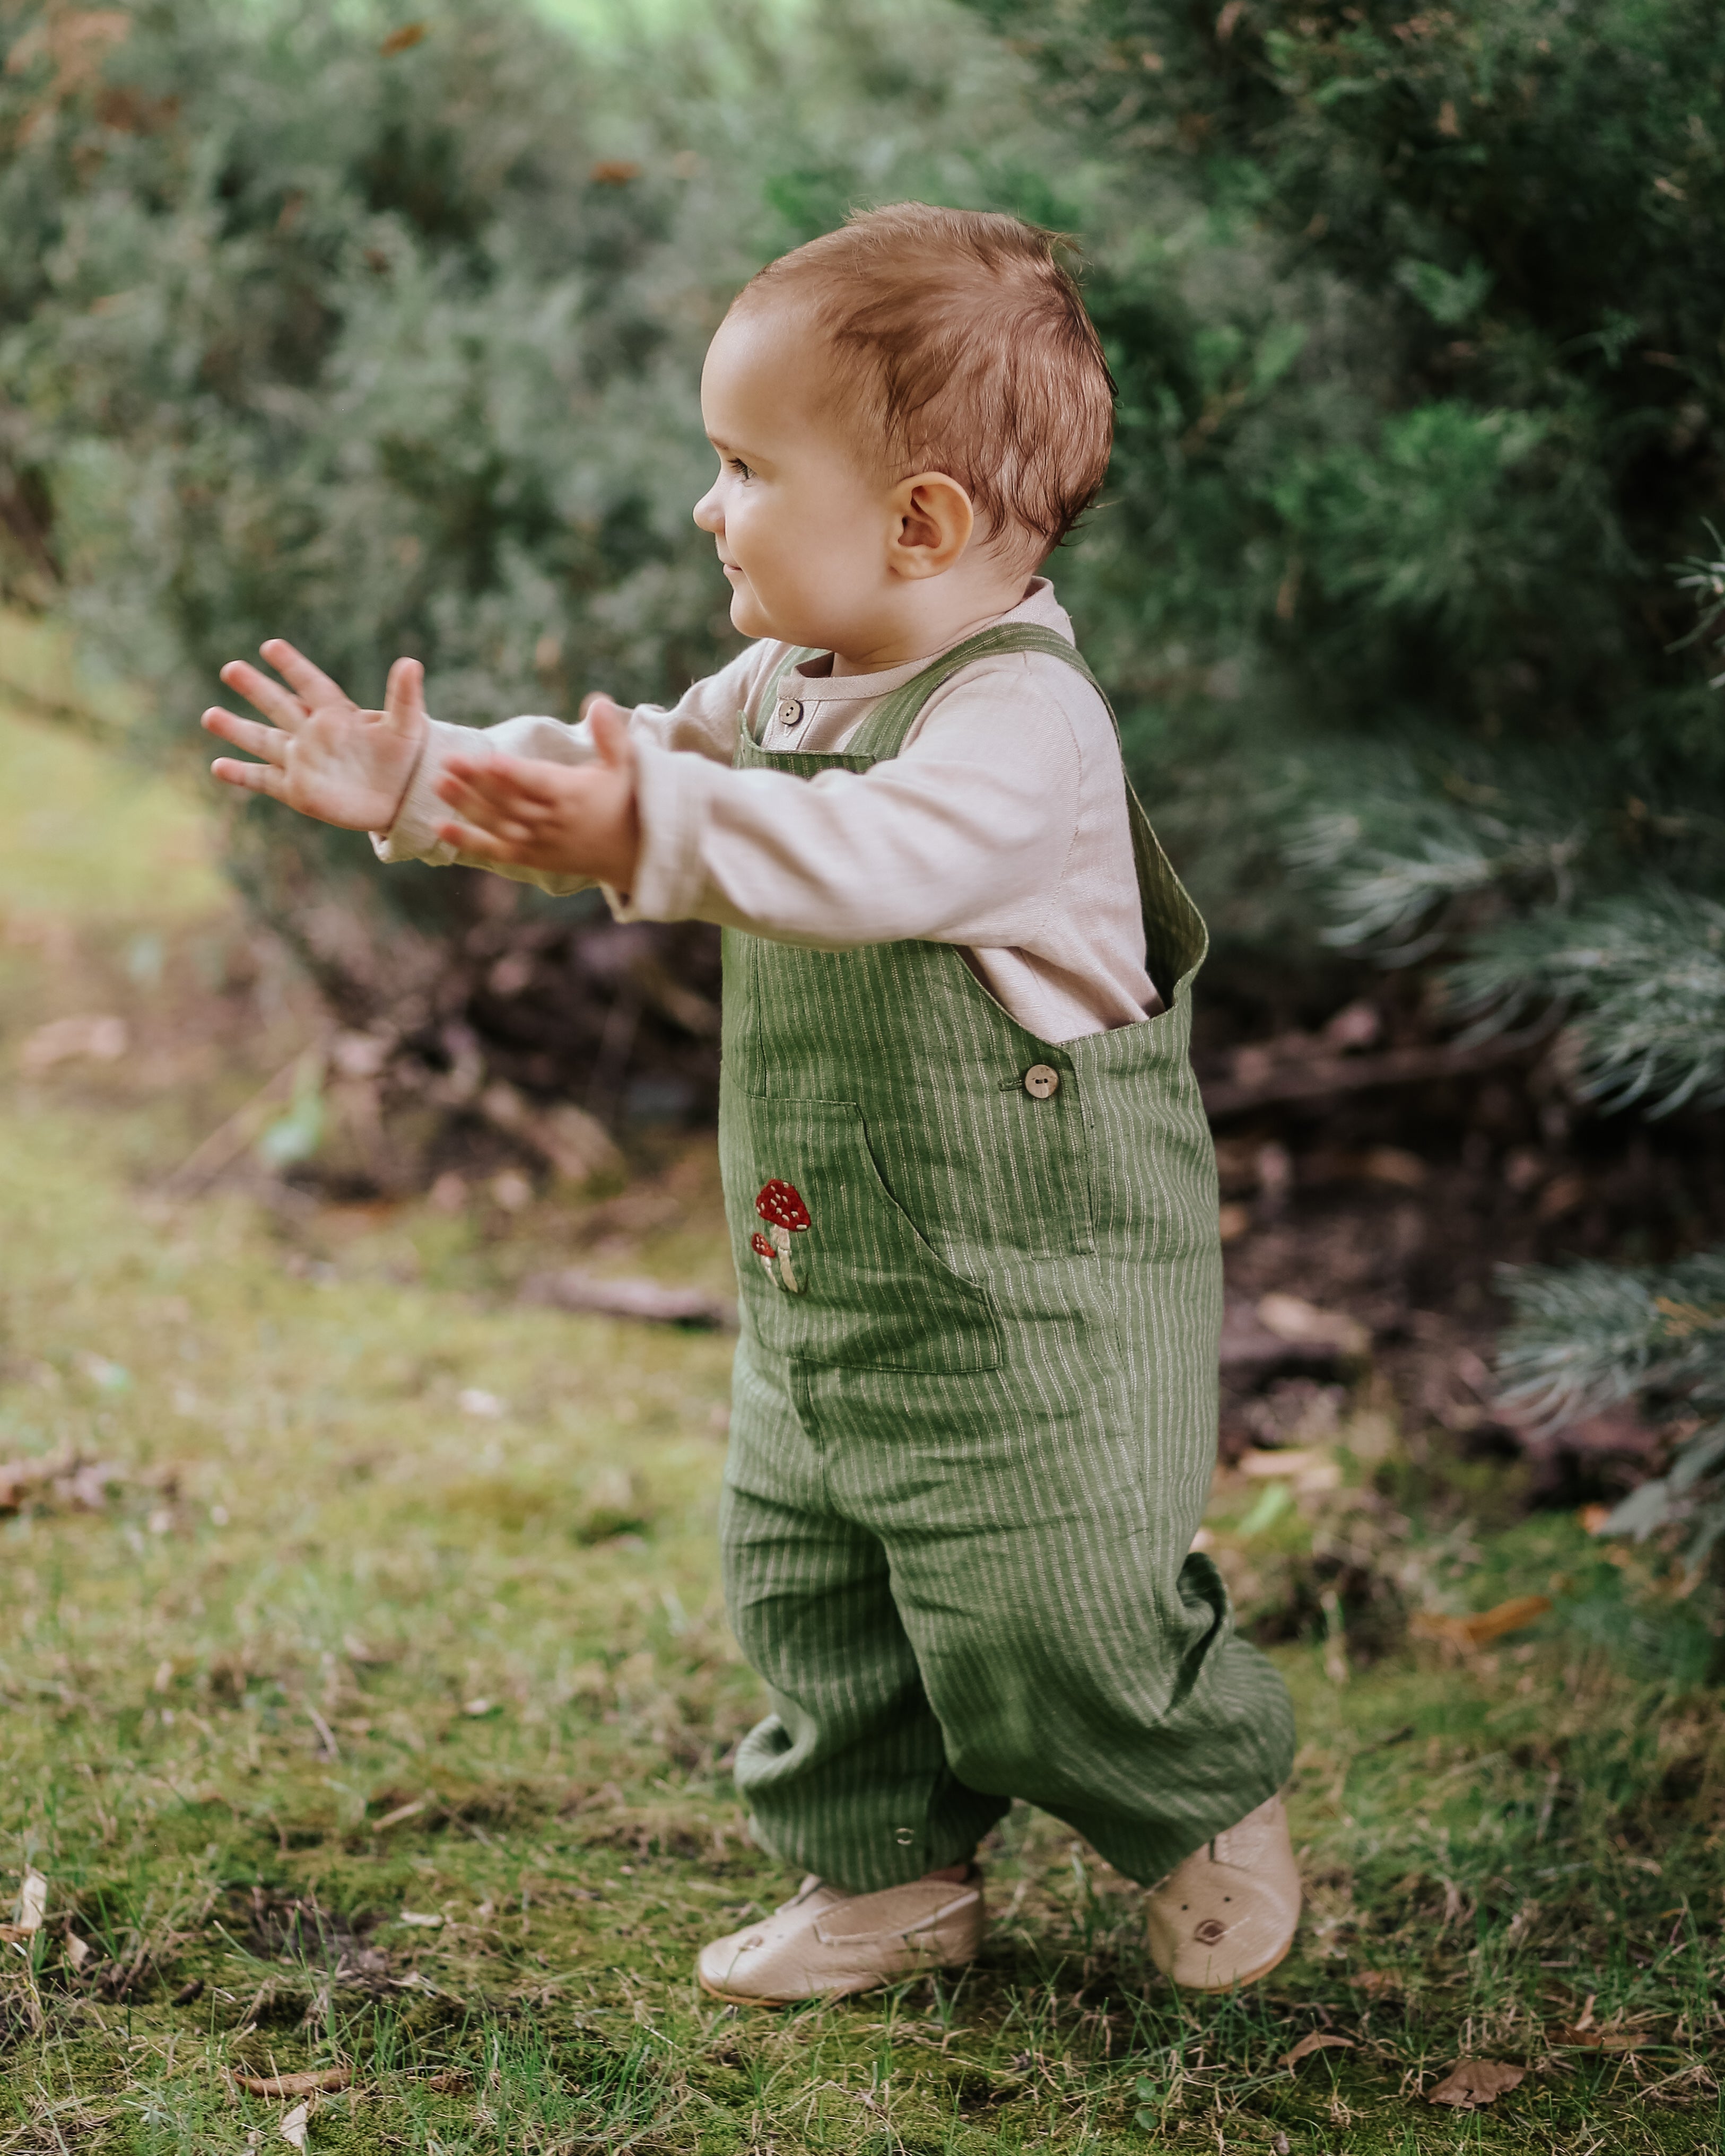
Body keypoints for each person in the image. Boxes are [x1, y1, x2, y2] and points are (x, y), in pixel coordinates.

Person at [201, 202, 1300, 2001]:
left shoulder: (1021, 731)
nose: (708, 505)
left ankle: (1195, 1799)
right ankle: (881, 1870)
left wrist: (657, 826)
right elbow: (617, 766)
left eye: (738, 466)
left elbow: (871, 853)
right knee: (815, 1586)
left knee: (1050, 1607)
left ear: (919, 521)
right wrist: (428, 774)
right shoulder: (783, 682)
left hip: (1036, 1313)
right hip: (826, 1277)